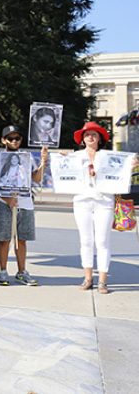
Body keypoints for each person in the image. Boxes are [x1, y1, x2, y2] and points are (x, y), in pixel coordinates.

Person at [67, 122, 138, 294]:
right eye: (87, 134)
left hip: (104, 201)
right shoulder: (75, 157)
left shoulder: (108, 156)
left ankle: (103, 281)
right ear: (82, 139)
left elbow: (120, 173)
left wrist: (131, 165)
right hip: (82, 201)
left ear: (100, 138)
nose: (90, 137)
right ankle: (88, 277)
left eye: (94, 134)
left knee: (102, 241)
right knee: (85, 240)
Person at [0, 125, 47, 287]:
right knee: (5, 239)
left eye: (17, 138)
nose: (14, 141)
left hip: (25, 203)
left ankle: (21, 271)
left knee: (22, 239)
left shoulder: (27, 157)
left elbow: (36, 178)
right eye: (10, 138)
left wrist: (43, 161)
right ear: (4, 140)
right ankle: (3, 270)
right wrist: (7, 199)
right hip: (5, 203)